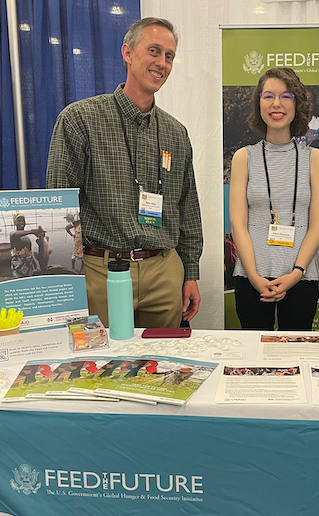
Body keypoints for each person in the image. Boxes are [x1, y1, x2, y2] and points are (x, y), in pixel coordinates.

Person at [46, 17, 202, 329]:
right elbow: (61, 206)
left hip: (163, 272)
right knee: (100, 369)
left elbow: (188, 209)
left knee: (162, 370)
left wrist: (191, 273)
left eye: (169, 56)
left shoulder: (175, 132)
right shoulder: (80, 120)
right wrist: (67, 283)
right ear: (127, 53)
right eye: (154, 51)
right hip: (100, 270)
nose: (162, 63)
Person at [229, 67, 319, 330]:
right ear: (258, 103)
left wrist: (296, 273)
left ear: (297, 104)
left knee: (296, 358)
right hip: (252, 278)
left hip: (301, 275)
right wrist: (253, 276)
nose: (276, 104)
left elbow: (317, 225)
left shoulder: (314, 158)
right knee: (253, 361)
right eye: (268, 96)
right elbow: (238, 224)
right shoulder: (243, 157)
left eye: (286, 96)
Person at [9, 213, 49, 278]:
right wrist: (32, 231)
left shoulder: (26, 237)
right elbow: (13, 234)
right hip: (18, 267)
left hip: (29, 266)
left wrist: (41, 237)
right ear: (15, 223)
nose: (21, 222)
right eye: (18, 221)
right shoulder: (13, 235)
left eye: (23, 221)